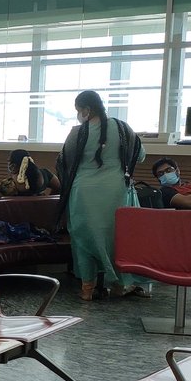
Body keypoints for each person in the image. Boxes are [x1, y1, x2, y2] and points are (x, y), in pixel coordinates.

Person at [56, 90, 149, 301]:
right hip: (117, 193)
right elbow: (140, 156)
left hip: (84, 195)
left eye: (78, 110)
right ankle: (120, 284)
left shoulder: (77, 134)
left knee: (84, 240)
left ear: (86, 110)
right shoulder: (124, 129)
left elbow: (63, 163)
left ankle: (87, 288)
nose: (78, 114)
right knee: (118, 239)